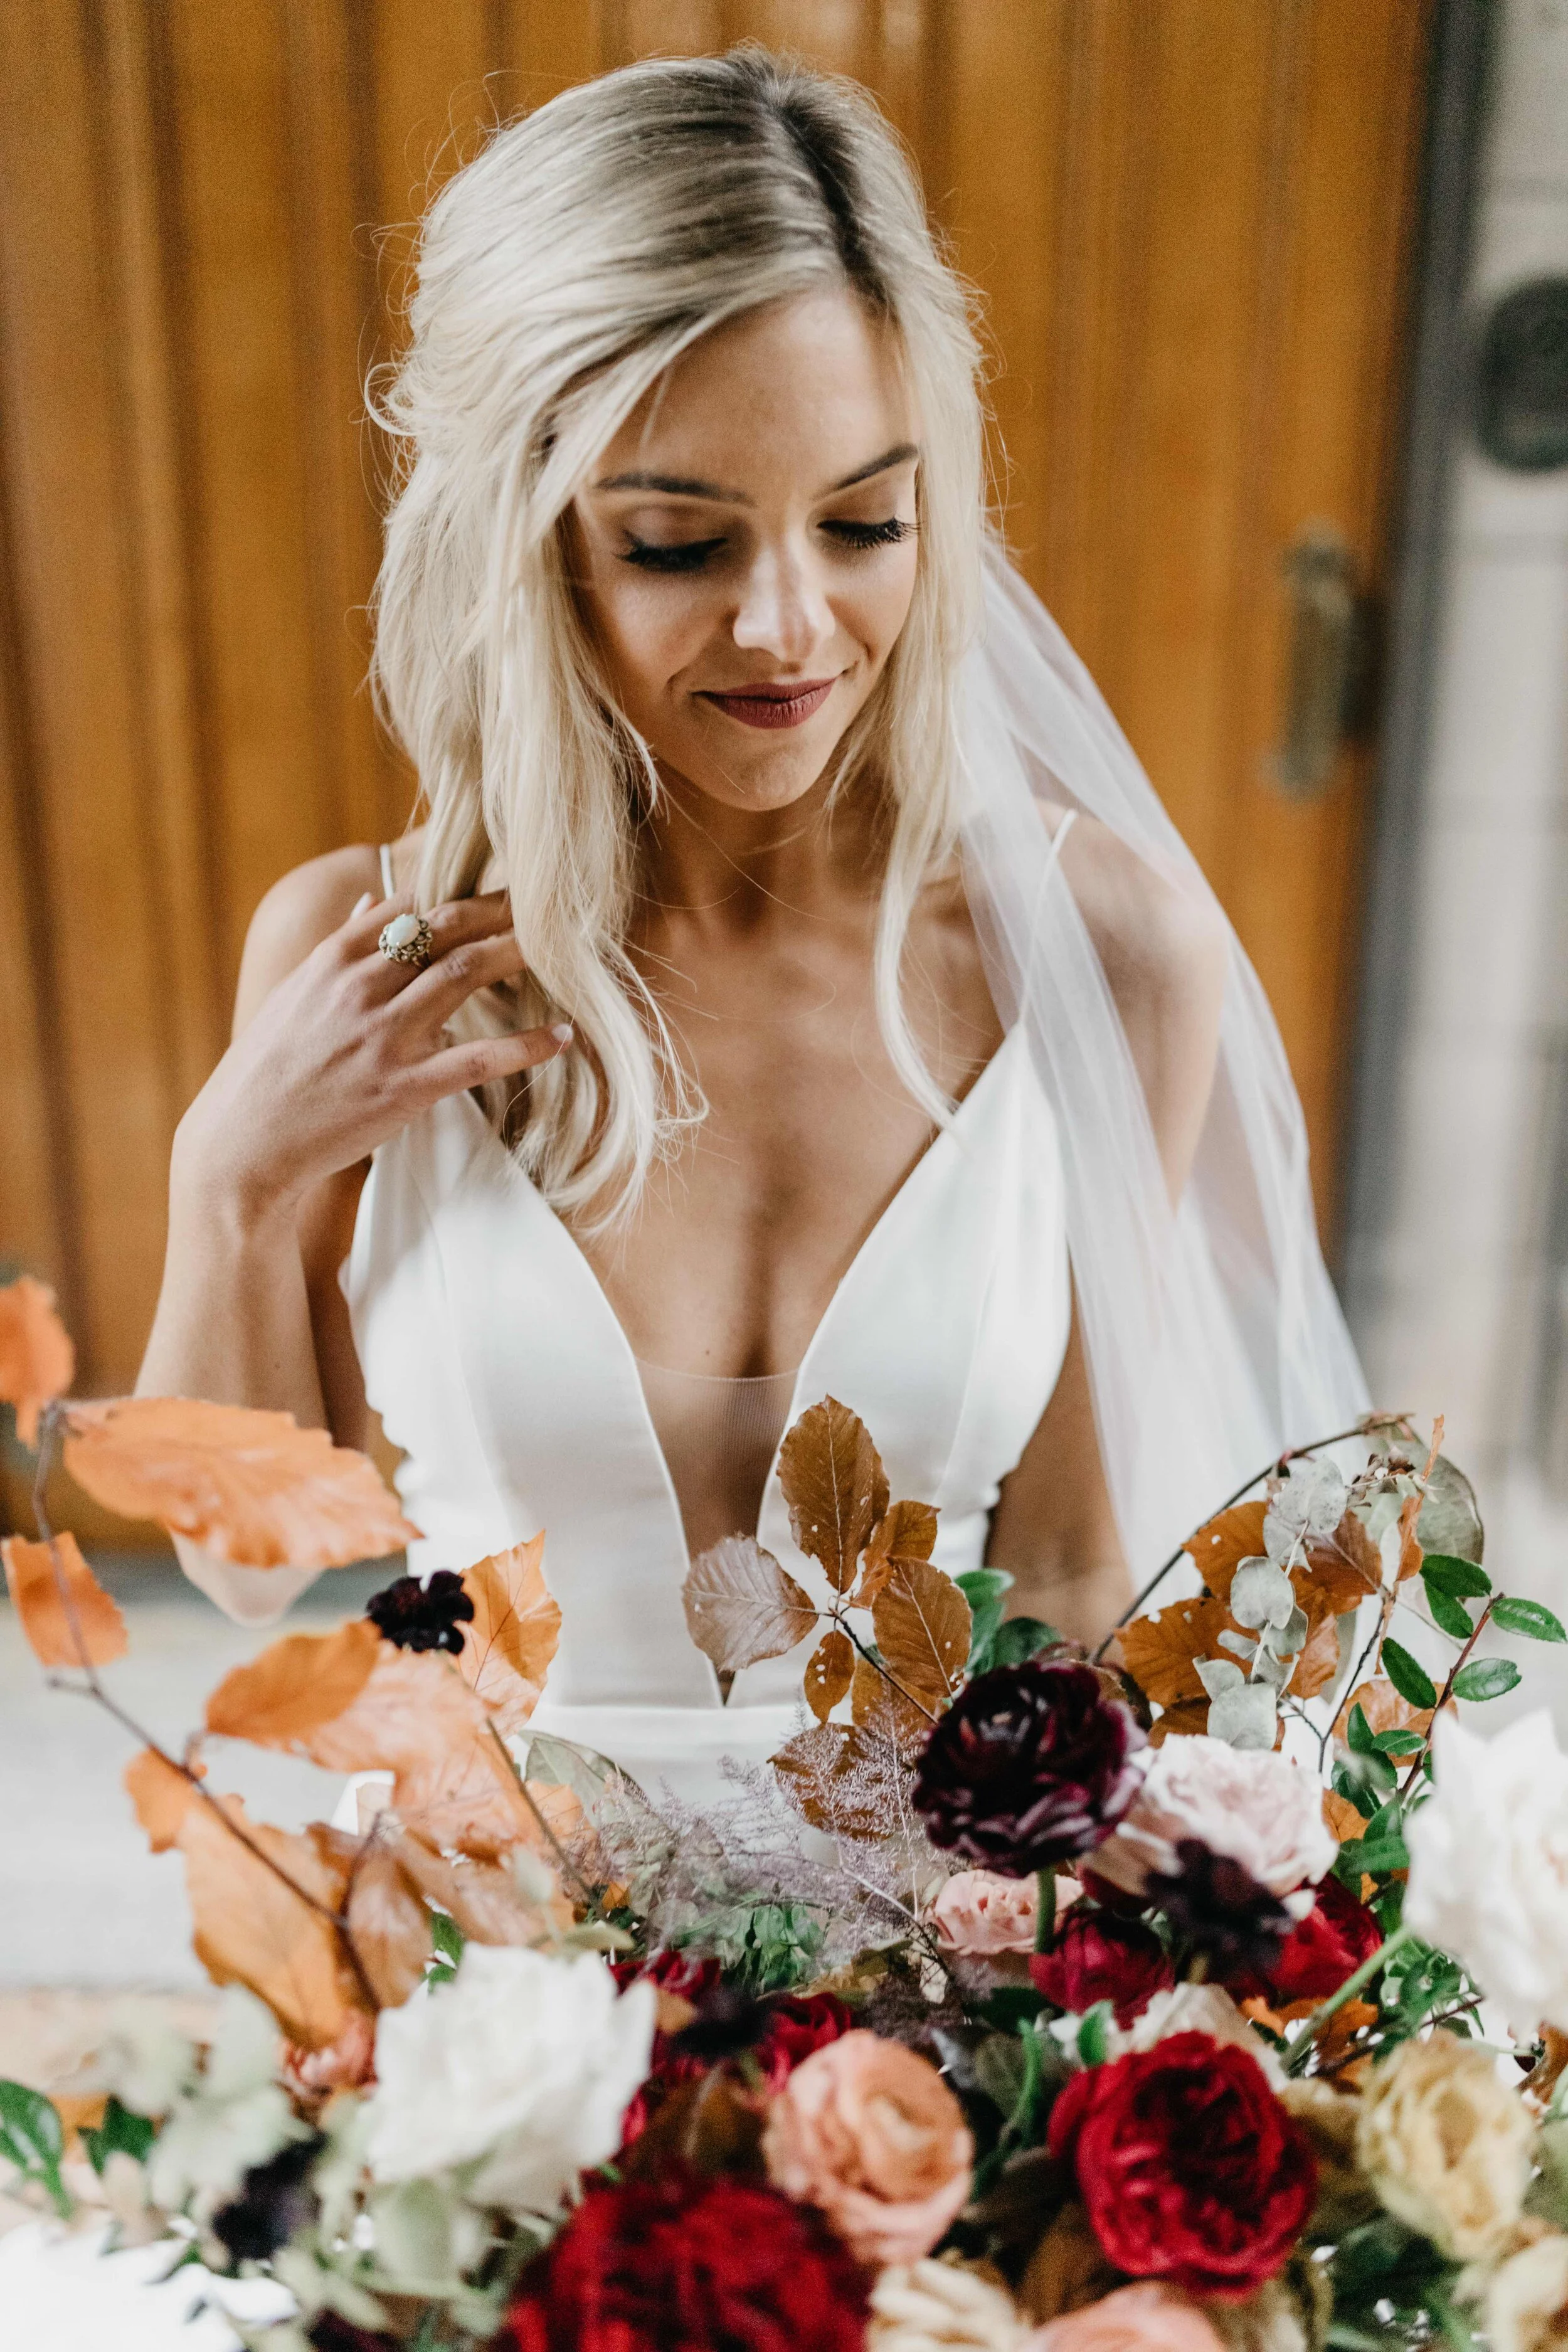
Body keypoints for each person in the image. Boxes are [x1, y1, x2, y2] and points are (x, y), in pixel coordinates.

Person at [137, 48, 1365, 1807]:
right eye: (674, 543)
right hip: (490, 1964)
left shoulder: (1097, 951)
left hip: (916, 1963)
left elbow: (1087, 1574)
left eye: (862, 521)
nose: (791, 624)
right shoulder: (364, 957)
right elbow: (243, 1566)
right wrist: (229, 1181)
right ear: (527, 537)